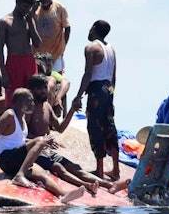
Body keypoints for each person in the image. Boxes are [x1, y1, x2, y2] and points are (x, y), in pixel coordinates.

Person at [23, 74, 125, 195]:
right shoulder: (29, 109)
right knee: (58, 168)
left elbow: (60, 128)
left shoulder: (47, 107)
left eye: (45, 87)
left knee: (75, 167)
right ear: (32, 91)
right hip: (33, 152)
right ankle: (87, 185)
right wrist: (42, 139)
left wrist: (72, 109)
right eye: (39, 88)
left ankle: (110, 185)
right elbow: (22, 135)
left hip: (46, 151)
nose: (44, 91)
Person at [0, 89, 83, 202]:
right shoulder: (9, 115)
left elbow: (19, 140)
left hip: (17, 160)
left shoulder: (22, 118)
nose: (32, 104)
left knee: (43, 174)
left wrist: (43, 142)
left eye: (32, 101)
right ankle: (20, 176)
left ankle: (63, 195)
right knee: (40, 140)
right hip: (6, 159)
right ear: (18, 103)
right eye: (29, 101)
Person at [72, 19, 120, 181]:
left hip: (97, 89)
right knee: (110, 126)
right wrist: (111, 93)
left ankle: (99, 170)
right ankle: (116, 170)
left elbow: (88, 74)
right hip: (108, 89)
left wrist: (79, 96)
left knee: (95, 126)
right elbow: (114, 76)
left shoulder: (91, 48)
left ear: (93, 29)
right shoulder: (111, 49)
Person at [0, 0, 42, 106]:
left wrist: (31, 21)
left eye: (29, 8)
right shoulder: (5, 22)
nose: (27, 10)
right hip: (14, 63)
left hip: (29, 62)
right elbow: (0, 50)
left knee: (33, 98)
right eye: (25, 6)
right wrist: (4, 74)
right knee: (14, 99)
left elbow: (37, 43)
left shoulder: (29, 20)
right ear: (17, 2)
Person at [32, 0, 71, 73]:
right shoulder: (34, 10)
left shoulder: (59, 8)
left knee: (56, 81)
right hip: (38, 55)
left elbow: (67, 28)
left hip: (55, 54)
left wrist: (63, 47)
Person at [35, 52, 69, 120]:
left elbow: (66, 82)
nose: (49, 66)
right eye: (47, 64)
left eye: (50, 64)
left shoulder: (53, 74)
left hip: (52, 97)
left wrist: (58, 98)